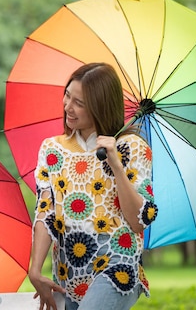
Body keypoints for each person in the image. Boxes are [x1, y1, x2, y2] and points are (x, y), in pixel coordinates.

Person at [28, 63, 158, 310]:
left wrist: (116, 165)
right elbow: (44, 211)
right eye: (67, 95)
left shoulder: (132, 147)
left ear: (100, 106)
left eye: (79, 103)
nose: (68, 107)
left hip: (117, 267)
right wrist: (35, 270)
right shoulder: (52, 149)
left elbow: (138, 221)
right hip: (67, 274)